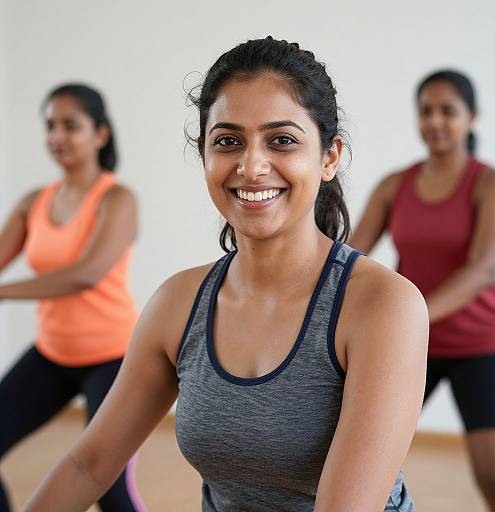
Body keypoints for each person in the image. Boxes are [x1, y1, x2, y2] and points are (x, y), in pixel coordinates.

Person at [22, 38, 428, 512]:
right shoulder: (178, 303)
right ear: (205, 156)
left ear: (329, 157)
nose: (251, 166)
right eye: (228, 141)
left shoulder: (383, 305)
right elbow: (87, 466)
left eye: (282, 140)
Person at [350, 70, 495, 511]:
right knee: (356, 455)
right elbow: (351, 255)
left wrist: (411, 314)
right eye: (426, 111)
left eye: (448, 111)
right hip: (411, 344)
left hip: (479, 343)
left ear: (471, 118)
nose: (435, 121)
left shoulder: (492, 184)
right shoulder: (395, 184)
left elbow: (482, 270)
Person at [0, 84, 145, 511]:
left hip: (114, 358)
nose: (57, 136)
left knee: (108, 487)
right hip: (53, 354)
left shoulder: (117, 200)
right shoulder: (34, 203)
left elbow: (86, 274)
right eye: (50, 126)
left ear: (100, 134)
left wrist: (4, 293)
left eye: (70, 125)